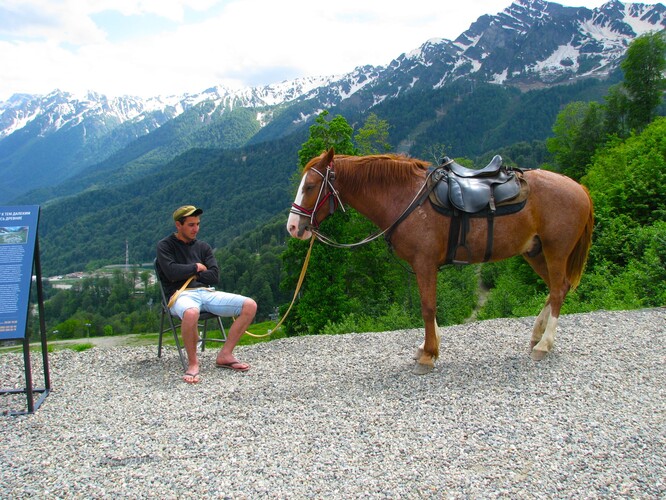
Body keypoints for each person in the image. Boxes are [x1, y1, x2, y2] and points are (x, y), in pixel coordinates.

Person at [156, 205, 257, 384]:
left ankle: (225, 355)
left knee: (250, 305)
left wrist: (188, 272)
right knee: (191, 312)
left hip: (206, 291)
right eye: (191, 225)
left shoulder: (203, 247)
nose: (196, 229)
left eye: (198, 224)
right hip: (180, 295)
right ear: (178, 225)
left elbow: (214, 275)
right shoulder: (165, 246)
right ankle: (193, 364)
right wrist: (196, 267)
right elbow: (170, 273)